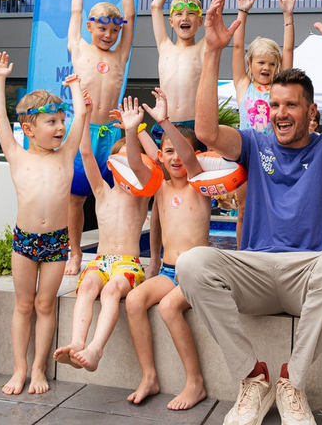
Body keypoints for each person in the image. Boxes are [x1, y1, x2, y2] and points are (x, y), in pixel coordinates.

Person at [177, 0, 322, 425]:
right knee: (191, 264)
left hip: (309, 273)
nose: (281, 112)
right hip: (257, 272)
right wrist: (211, 52)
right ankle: (254, 377)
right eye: (276, 104)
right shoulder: (253, 143)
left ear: (310, 111)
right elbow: (206, 132)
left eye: (292, 105)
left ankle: (291, 380)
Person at [0, 52, 87, 395]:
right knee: (23, 304)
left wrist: (75, 87)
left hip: (57, 241)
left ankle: (37, 368)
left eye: (61, 120)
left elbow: (81, 118)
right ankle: (18, 369)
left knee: (45, 305)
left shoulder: (65, 155)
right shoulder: (18, 156)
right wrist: (0, 78)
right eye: (52, 122)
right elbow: (0, 115)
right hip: (25, 241)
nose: (60, 127)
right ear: (28, 129)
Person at [53, 96, 158, 372]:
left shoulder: (140, 196)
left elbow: (147, 162)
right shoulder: (101, 190)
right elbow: (86, 154)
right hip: (100, 262)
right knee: (87, 287)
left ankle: (96, 349)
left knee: (111, 291)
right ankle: (77, 343)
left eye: (130, 161)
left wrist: (132, 132)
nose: (126, 165)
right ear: (111, 163)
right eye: (119, 159)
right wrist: (86, 116)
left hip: (128, 264)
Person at [126, 88, 211, 411]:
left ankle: (195, 382)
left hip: (196, 274)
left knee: (168, 308)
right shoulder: (159, 185)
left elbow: (189, 159)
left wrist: (163, 121)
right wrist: (132, 131)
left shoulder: (199, 184)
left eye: (183, 151)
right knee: (134, 301)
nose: (177, 157)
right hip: (169, 272)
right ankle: (149, 376)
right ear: (161, 155)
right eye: (169, 151)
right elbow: (136, 163)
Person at [65, 0, 136, 275]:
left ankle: (110, 251)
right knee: (76, 198)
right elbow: (76, 13)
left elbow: (131, 18)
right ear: (91, 27)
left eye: (113, 30)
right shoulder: (79, 48)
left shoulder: (121, 53)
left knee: (113, 196)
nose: (108, 35)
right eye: (102, 29)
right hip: (82, 131)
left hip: (109, 133)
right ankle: (75, 252)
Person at [231, 0, 296, 247]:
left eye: (272, 63)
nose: (267, 67)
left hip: (275, 154)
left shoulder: (279, 88)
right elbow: (236, 48)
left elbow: (289, 53)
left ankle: (277, 251)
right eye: (261, 62)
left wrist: (288, 18)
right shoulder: (242, 86)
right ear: (250, 64)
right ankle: (241, 256)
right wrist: (242, 12)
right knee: (244, 209)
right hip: (247, 154)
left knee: (277, 209)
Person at [148, 0, 230, 137]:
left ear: (200, 22)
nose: (184, 17)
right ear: (170, 21)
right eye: (179, 14)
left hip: (194, 124)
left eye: (191, 14)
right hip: (165, 122)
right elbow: (155, 6)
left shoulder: (203, 48)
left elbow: (216, 11)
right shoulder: (164, 46)